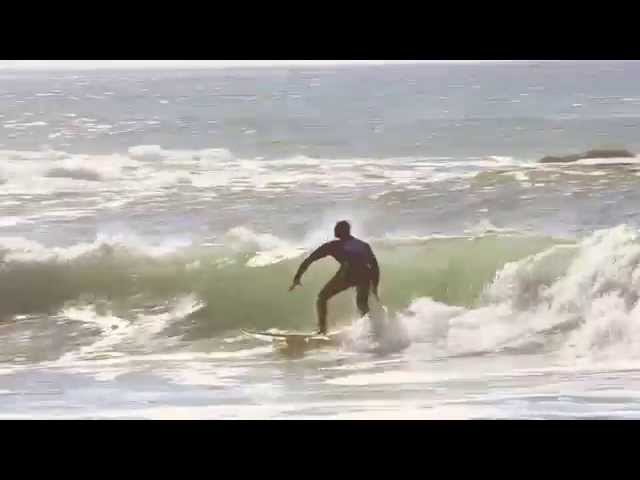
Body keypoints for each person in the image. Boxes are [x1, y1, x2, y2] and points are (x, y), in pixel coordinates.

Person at [289, 221, 380, 335]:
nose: (334, 231)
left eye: (336, 229)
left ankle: (322, 330)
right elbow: (375, 266)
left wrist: (297, 277)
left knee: (322, 297)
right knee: (362, 304)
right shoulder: (362, 245)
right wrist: (375, 286)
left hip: (348, 273)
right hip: (365, 275)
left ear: (342, 231)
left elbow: (310, 259)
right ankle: (373, 330)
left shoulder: (334, 246)